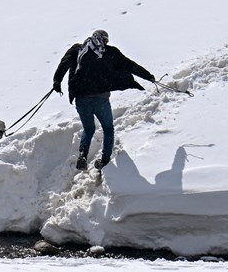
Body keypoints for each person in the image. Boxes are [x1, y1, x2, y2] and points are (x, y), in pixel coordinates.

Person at [52, 29, 156, 170]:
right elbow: (130, 65)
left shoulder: (77, 49)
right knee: (108, 129)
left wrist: (57, 81)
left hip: (81, 99)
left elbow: (64, 64)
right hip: (100, 99)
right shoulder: (109, 52)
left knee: (88, 129)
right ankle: (104, 161)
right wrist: (148, 76)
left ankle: (83, 155)